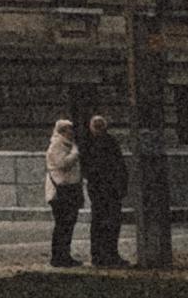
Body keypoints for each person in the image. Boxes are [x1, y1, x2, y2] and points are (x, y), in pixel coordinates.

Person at [83, 109, 131, 269]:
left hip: (102, 190)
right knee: (108, 224)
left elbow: (89, 170)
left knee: (101, 224)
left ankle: (101, 255)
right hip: (107, 190)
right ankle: (107, 255)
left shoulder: (90, 143)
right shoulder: (109, 142)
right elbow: (119, 167)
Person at [44, 115, 83, 268]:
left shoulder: (67, 144)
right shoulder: (57, 145)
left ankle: (64, 254)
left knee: (68, 225)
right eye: (69, 130)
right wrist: (75, 153)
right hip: (60, 191)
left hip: (69, 189)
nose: (72, 132)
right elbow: (63, 164)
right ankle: (59, 256)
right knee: (62, 224)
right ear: (62, 131)